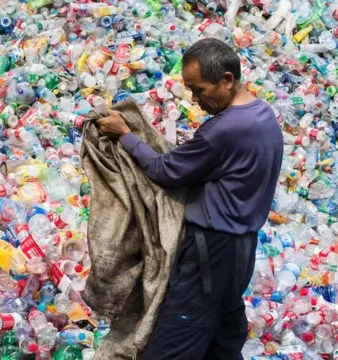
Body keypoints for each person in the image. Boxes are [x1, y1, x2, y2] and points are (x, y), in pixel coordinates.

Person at [96, 38, 283, 359]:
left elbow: (165, 170)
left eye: (200, 90)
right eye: (191, 91)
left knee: (175, 339)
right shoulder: (263, 115)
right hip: (243, 249)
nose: (195, 100)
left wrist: (125, 135)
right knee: (223, 335)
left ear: (227, 79)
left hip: (211, 249)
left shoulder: (223, 130)